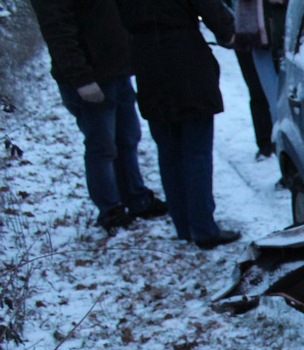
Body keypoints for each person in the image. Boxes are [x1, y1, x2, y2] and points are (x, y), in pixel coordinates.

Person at [30, 0, 169, 235]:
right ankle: (110, 210)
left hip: (117, 72)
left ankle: (137, 199)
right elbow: (57, 32)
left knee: (128, 138)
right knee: (102, 147)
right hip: (89, 78)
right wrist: (81, 78)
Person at [115, 0, 241, 249]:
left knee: (169, 151)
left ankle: (184, 226)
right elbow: (213, 10)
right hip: (186, 63)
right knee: (196, 152)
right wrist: (228, 34)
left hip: (148, 64)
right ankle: (203, 228)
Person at [231, 0, 288, 160]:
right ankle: (268, 145)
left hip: (281, 31)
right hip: (252, 34)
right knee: (262, 94)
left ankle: (282, 151)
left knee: (281, 99)